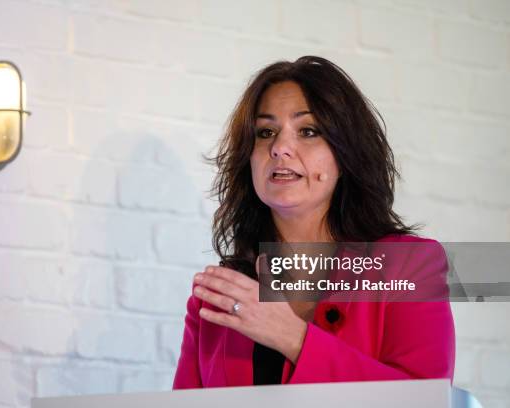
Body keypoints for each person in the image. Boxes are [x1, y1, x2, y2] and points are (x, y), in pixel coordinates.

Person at [172, 56, 455, 389]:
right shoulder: (214, 297)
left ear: (345, 153)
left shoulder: (410, 265)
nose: (280, 148)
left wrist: (293, 338)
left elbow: (425, 399)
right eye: (265, 132)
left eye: (307, 131)